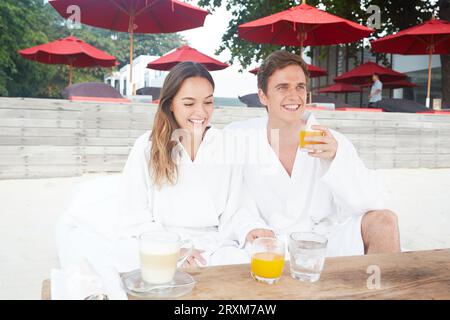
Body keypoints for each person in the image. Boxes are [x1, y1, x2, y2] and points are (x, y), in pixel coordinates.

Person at [56, 62, 273, 272]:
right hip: (159, 239)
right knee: (119, 260)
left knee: (244, 265)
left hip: (213, 242)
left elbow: (236, 209)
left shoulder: (228, 145)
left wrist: (249, 229)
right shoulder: (147, 147)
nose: (201, 112)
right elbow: (134, 216)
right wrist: (174, 249)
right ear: (170, 103)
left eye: (208, 102)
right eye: (189, 103)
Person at [225, 50, 400, 257]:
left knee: (385, 221)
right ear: (263, 95)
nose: (294, 96)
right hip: (269, 242)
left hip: (324, 241)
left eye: (300, 87)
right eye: (282, 87)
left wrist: (337, 159)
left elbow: (371, 202)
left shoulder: (332, 141)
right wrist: (249, 228)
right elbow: (230, 202)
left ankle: (380, 290)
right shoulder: (240, 138)